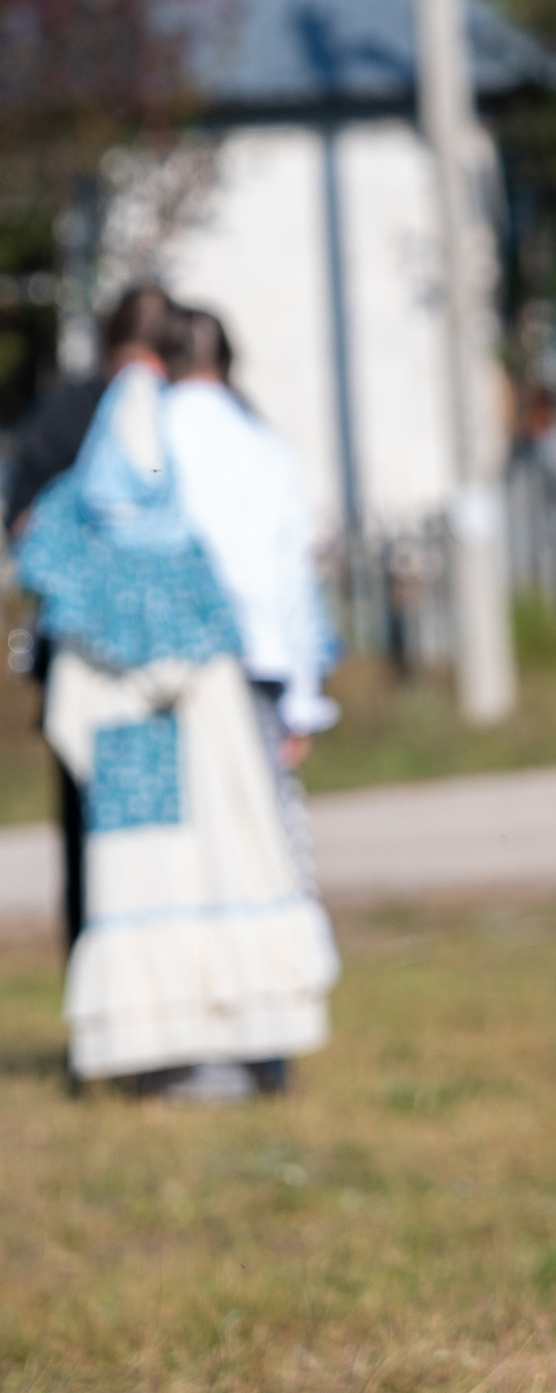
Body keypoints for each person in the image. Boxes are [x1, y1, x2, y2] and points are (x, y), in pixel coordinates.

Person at [15, 344, 337, 1096]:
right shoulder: (231, 472)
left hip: (143, 741)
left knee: (158, 881)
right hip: (206, 723)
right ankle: (242, 1051)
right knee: (229, 866)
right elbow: (288, 571)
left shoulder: (72, 535)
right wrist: (301, 690)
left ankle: (181, 1055)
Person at [4, 284, 172, 957]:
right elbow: (26, 523)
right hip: (135, 662)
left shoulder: (78, 412)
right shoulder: (94, 412)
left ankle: (104, 990)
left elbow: (23, 526)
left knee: (99, 839)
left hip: (95, 658)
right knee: (139, 840)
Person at [162, 306, 339, 912]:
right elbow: (294, 577)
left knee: (187, 849)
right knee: (265, 834)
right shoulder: (263, 445)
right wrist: (303, 697)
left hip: (169, 670)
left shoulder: (147, 438)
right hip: (259, 663)